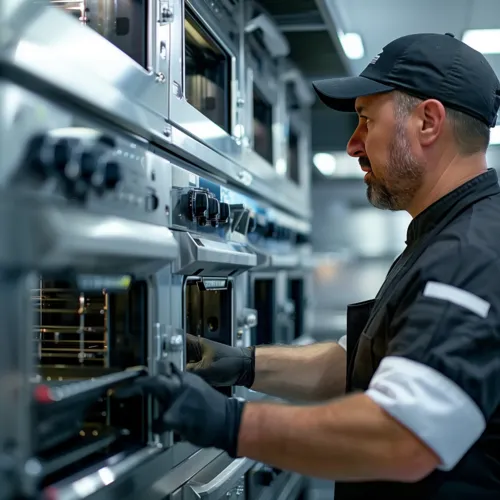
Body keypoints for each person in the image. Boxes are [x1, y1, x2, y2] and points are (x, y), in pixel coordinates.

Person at [125, 33, 500, 498]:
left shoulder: (470, 252)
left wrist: (231, 423)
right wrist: (244, 364)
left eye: (365, 120)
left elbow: (403, 435)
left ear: (428, 122)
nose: (352, 144)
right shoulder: (443, 235)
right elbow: (355, 366)